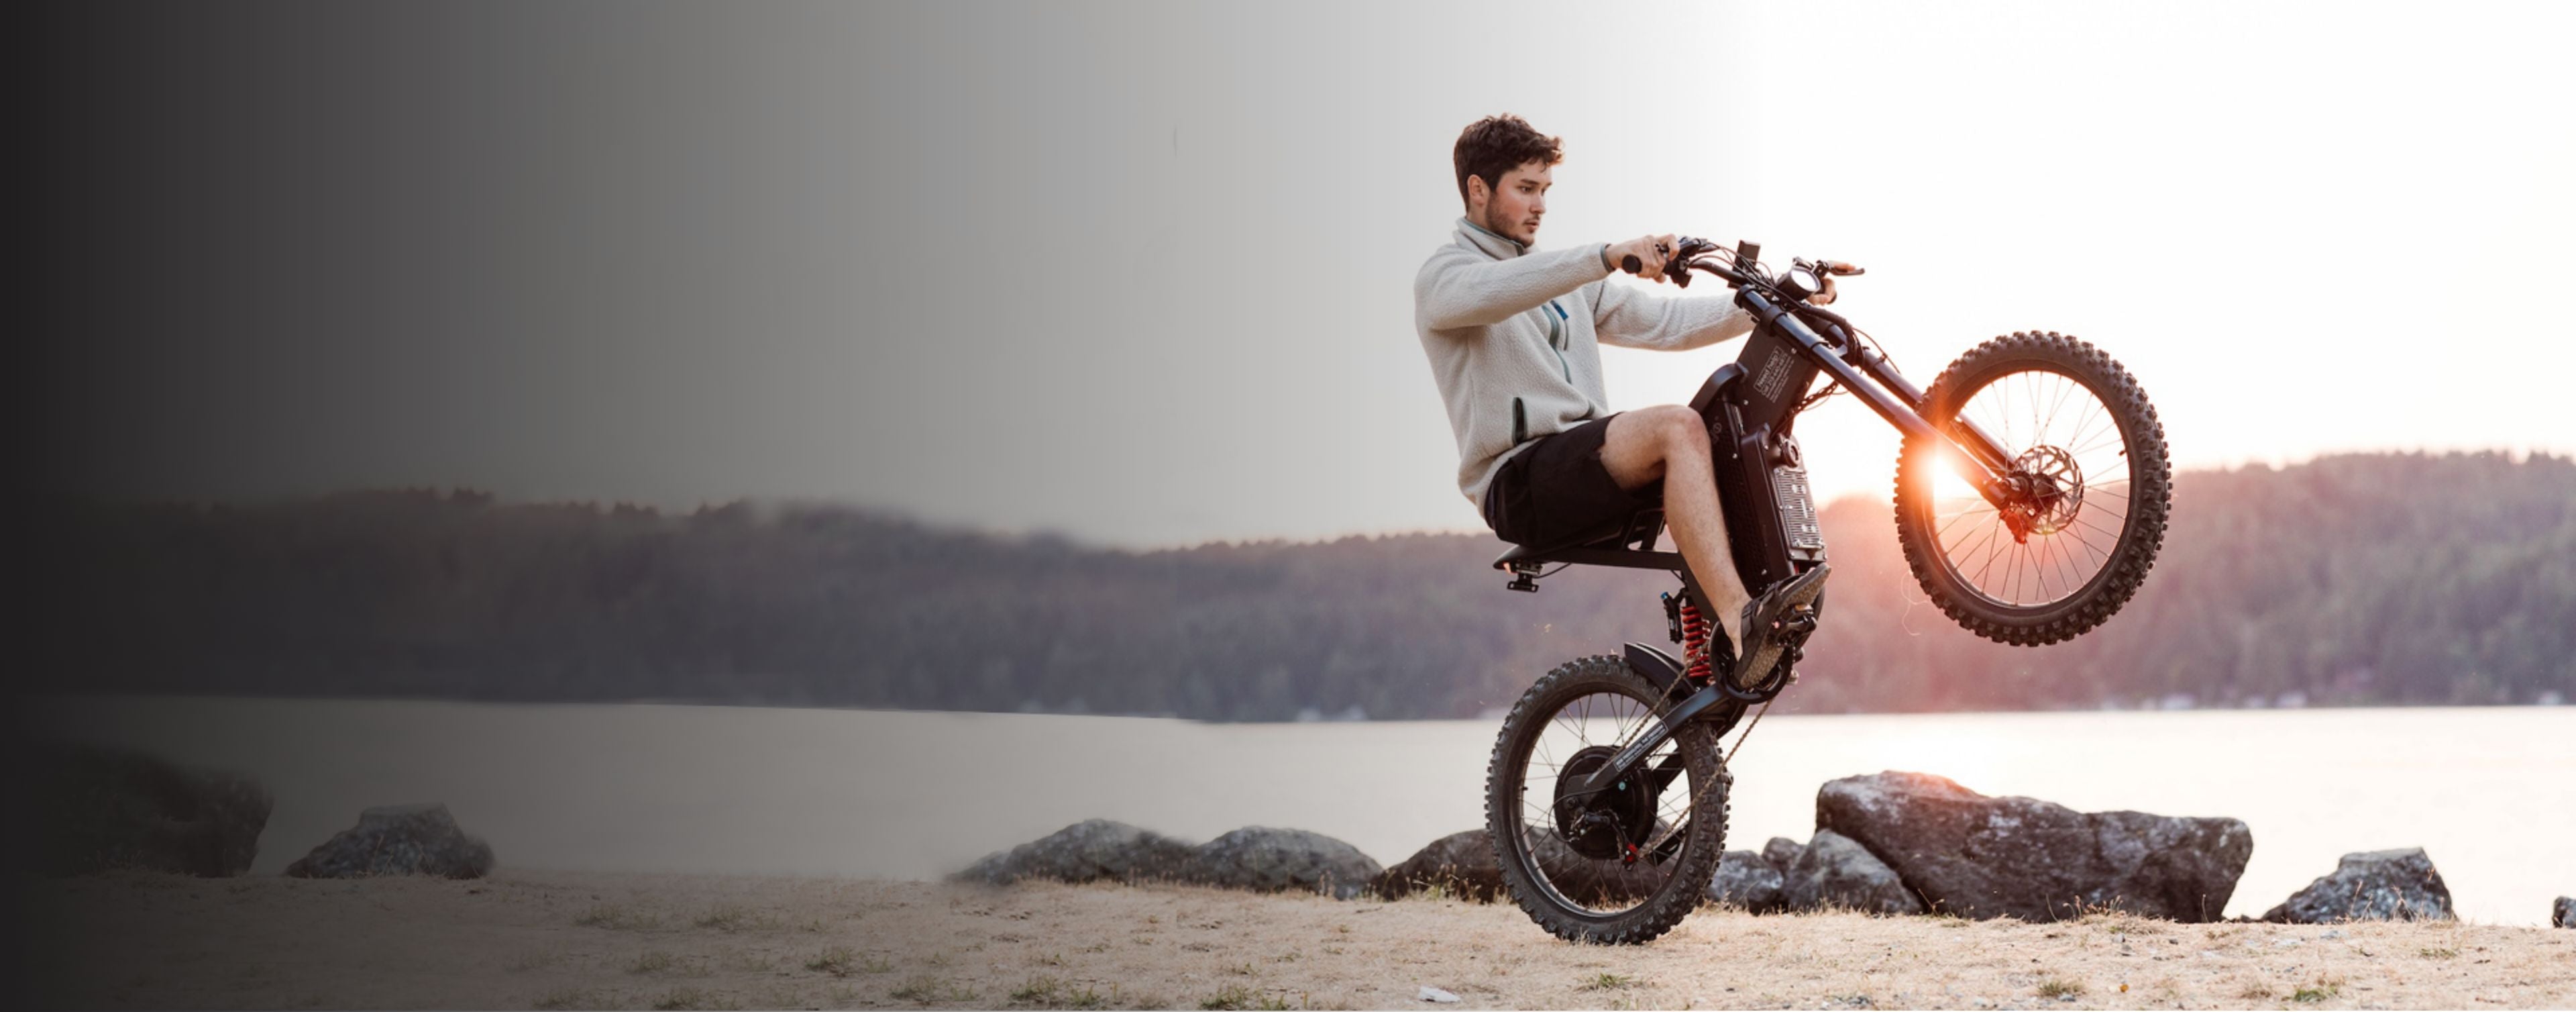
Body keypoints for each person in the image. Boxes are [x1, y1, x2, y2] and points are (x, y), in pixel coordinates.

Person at [1412, 113, 1832, 682]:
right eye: (1526, 189)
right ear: (1478, 189)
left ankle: (1731, 643)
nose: (1540, 206)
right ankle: (1741, 621)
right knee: (1676, 427)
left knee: (1725, 435)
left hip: (1583, 463)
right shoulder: (1444, 278)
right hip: (1518, 483)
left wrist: (1778, 301)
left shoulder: (1566, 284)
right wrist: (1606, 256)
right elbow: (1497, 291)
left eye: (1545, 191)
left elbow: (1668, 323)